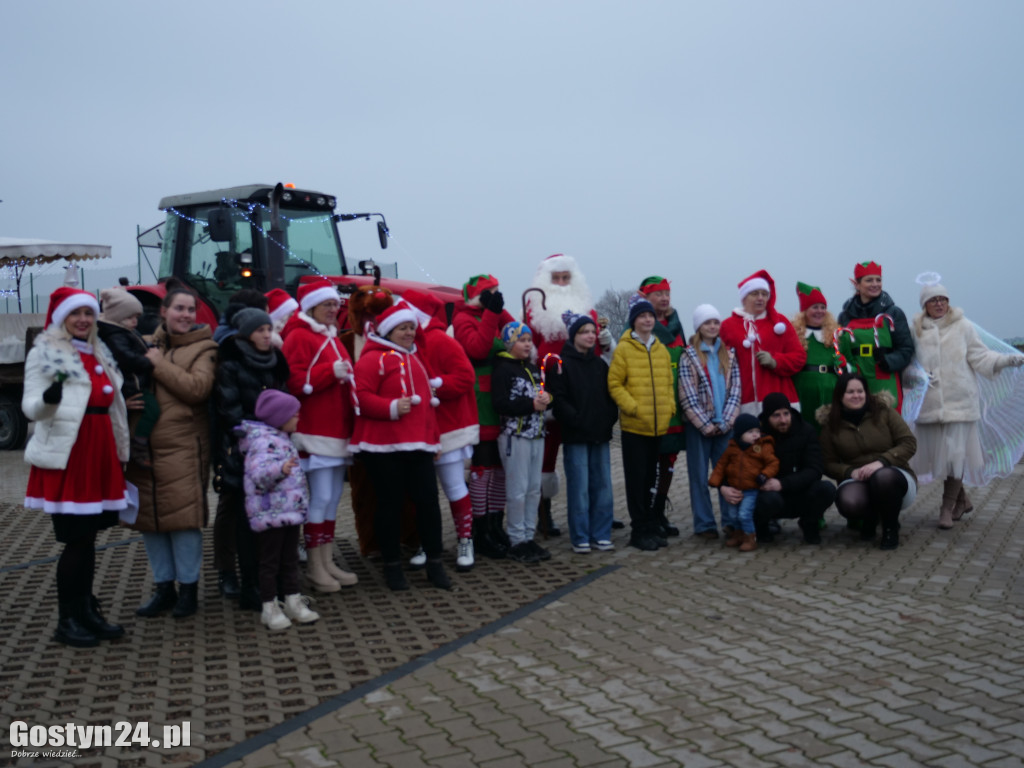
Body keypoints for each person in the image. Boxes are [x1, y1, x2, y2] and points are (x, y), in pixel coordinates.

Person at [23, 287, 130, 647]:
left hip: (100, 452)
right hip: (71, 456)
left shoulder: (99, 351)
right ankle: (67, 619)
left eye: (88, 313)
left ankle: (86, 610)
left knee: (88, 540)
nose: (83, 320)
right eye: (75, 314)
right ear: (62, 318)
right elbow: (30, 407)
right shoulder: (46, 352)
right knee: (76, 540)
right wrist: (48, 401)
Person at [128, 279, 219, 619]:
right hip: (143, 446)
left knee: (182, 521)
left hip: (183, 447)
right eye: (178, 308)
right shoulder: (146, 344)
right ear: (163, 311)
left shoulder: (204, 348)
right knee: (150, 520)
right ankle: (163, 587)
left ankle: (188, 590)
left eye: (190, 309)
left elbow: (197, 389)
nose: (185, 314)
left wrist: (158, 364)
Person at [350, 301, 451, 591]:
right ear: (388, 330)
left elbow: (428, 407)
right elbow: (360, 396)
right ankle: (392, 567)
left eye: (411, 327)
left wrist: (435, 439)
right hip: (383, 447)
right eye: (402, 328)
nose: (409, 333)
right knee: (390, 505)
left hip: (419, 445)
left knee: (429, 504)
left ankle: (434, 563)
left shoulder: (414, 357)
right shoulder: (372, 359)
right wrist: (391, 407)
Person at [910, 279, 1024, 528]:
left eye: (943, 299)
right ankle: (963, 500)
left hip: (960, 403)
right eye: (933, 300)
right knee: (937, 460)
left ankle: (946, 508)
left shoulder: (963, 326)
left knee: (955, 457)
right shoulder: (915, 330)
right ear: (925, 305)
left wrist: (1009, 360)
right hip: (929, 406)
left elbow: (981, 357)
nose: (939, 304)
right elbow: (909, 365)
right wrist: (916, 376)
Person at [523, 254, 613, 538]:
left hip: (583, 395)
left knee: (587, 458)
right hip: (549, 392)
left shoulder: (589, 311)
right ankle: (543, 513)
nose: (561, 283)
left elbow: (597, 355)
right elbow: (529, 350)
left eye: (566, 278)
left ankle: (595, 514)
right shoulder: (534, 311)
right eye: (556, 278)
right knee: (544, 457)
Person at [281, 278, 358, 592]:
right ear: (311, 305)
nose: (333, 309)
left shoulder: (330, 337)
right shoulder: (299, 336)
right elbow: (293, 382)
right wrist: (331, 374)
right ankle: (315, 566)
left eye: (336, 304)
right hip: (315, 429)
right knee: (322, 497)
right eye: (327, 304)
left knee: (332, 499)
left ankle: (325, 561)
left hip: (336, 429)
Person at [212, 307, 290, 609]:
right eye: (260, 330)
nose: (267, 335)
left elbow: (283, 399)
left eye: (269, 329)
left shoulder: (275, 362)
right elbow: (229, 411)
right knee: (248, 522)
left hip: (275, 449)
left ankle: (274, 581)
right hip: (246, 453)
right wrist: (264, 431)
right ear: (246, 334)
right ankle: (250, 586)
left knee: (273, 519)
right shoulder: (230, 365)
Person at [404, 289, 480, 571]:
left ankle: (465, 540)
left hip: (447, 427)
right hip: (417, 429)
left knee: (452, 485)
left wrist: (434, 385)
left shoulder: (440, 340)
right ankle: (428, 542)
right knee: (422, 492)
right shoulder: (403, 344)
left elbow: (465, 377)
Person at [236, 389, 320, 631]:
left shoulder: (282, 438)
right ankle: (269, 606)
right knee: (270, 561)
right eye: (294, 414)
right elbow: (258, 475)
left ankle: (292, 600)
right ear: (278, 417)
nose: (298, 418)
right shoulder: (263, 442)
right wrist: (280, 470)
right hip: (271, 513)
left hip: (289, 511)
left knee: (290, 558)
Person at [452, 274, 516, 559]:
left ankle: (495, 523)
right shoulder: (463, 319)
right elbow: (477, 348)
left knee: (500, 469)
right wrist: (491, 314)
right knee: (483, 468)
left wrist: (499, 311)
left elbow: (515, 333)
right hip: (480, 400)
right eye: (490, 292)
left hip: (501, 398)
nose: (495, 296)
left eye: (497, 292)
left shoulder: (493, 314)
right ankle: (480, 528)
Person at [818, 372, 918, 550]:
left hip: (894, 474)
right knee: (850, 502)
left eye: (860, 391)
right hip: (858, 479)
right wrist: (849, 472)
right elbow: (827, 463)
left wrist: (882, 462)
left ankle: (890, 527)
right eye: (850, 392)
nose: (856, 396)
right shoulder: (830, 425)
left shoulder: (885, 412)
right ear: (840, 396)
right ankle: (870, 517)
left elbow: (909, 443)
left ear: (867, 392)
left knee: (883, 477)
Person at [607, 293, 675, 551]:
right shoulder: (625, 348)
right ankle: (639, 530)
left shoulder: (660, 348)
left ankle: (649, 526)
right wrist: (632, 407)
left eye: (650, 316)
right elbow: (614, 384)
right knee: (636, 481)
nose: (647, 320)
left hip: (657, 426)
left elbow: (668, 382)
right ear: (634, 321)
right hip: (636, 426)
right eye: (642, 316)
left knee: (650, 479)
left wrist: (670, 406)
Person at [547, 311, 618, 554]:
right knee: (580, 487)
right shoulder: (561, 364)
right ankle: (580, 536)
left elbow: (610, 397)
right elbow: (559, 399)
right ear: (574, 336)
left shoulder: (599, 364)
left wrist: (609, 419)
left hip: (600, 434)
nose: (590, 336)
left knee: (603, 487)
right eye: (584, 332)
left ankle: (601, 533)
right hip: (576, 435)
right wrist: (576, 420)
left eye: (592, 332)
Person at [491, 321, 553, 563]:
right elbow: (500, 404)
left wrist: (548, 397)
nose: (528, 344)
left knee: (533, 489)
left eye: (529, 340)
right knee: (517, 490)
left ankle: (529, 535)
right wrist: (530, 405)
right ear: (510, 343)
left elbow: (540, 395)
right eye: (522, 340)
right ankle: (517, 539)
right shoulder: (503, 370)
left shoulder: (533, 368)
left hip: (537, 434)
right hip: (515, 436)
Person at [678, 304, 741, 540]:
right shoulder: (689, 356)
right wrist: (705, 424)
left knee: (728, 473)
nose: (713, 326)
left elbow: (735, 389)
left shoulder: (729, 354)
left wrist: (726, 421)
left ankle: (731, 520)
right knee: (699, 477)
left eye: (715, 322)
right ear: (699, 327)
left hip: (725, 424)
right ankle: (704, 524)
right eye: (707, 323)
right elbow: (687, 395)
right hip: (698, 427)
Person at [638, 276, 687, 537]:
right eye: (658, 294)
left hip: (676, 401)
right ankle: (645, 513)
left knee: (669, 459)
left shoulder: (677, 326)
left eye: (667, 293)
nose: (664, 298)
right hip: (652, 400)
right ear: (646, 299)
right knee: (649, 459)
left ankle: (659, 510)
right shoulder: (638, 325)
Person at [720, 269, 806, 415]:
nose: (760, 298)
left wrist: (775, 361)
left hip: (779, 402)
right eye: (755, 294)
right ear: (744, 297)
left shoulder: (780, 323)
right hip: (742, 403)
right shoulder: (728, 326)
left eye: (764, 294)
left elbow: (799, 358)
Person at [754, 392, 836, 544]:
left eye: (786, 413)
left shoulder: (806, 431)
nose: (783, 420)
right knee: (766, 500)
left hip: (799, 492)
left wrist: (783, 483)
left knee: (826, 489)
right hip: (770, 495)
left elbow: (815, 469)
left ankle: (809, 523)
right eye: (776, 416)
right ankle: (761, 527)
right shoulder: (756, 436)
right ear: (767, 417)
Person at [837, 261, 915, 412]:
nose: (875, 284)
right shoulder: (845, 315)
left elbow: (906, 348)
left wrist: (888, 361)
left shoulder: (893, 313)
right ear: (857, 284)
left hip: (885, 380)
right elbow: (840, 348)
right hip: (855, 381)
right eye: (869, 280)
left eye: (878, 280)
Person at [96, 287, 160, 467]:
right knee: (152, 409)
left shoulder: (126, 331)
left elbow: (139, 344)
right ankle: (138, 445)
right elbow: (127, 358)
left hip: (136, 382)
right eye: (130, 317)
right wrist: (149, 361)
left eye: (137, 317)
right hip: (132, 385)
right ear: (117, 317)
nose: (135, 321)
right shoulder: (115, 335)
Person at [708, 413, 779, 552]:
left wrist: (764, 475)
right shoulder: (732, 448)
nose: (755, 435)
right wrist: (714, 481)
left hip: (751, 489)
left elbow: (773, 463)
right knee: (733, 515)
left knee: (744, 514)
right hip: (734, 488)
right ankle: (738, 534)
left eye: (757, 431)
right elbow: (721, 465)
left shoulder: (762, 446)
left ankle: (750, 538)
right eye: (750, 432)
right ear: (740, 434)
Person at [790, 282, 841, 432]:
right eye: (815, 307)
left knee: (828, 433)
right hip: (802, 388)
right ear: (805, 311)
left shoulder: (837, 335)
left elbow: (848, 364)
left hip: (829, 389)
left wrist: (844, 365)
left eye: (822, 307)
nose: (820, 311)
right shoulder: (794, 335)